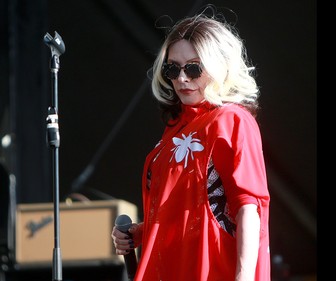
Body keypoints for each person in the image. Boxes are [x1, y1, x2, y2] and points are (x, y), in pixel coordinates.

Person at [111, 7, 271, 281]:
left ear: (220, 67)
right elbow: (188, 209)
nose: (182, 78)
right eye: (173, 68)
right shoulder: (174, 131)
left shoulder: (231, 120)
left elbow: (248, 206)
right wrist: (142, 231)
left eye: (194, 68)